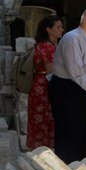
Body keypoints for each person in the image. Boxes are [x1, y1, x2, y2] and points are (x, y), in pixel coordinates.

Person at [48, 8, 86, 163]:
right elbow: (76, 72)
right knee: (69, 133)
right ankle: (68, 169)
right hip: (68, 89)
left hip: (80, 88)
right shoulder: (72, 39)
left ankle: (79, 167)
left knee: (82, 132)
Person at [26, 15, 64, 150]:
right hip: (45, 87)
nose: (62, 30)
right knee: (45, 120)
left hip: (40, 86)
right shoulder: (48, 47)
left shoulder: (46, 45)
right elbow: (51, 71)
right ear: (48, 29)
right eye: (58, 27)